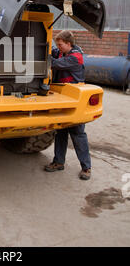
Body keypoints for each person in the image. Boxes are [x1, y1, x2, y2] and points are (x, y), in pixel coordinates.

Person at [44, 30, 92, 180]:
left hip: (74, 99)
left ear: (68, 44)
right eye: (57, 44)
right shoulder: (61, 52)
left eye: (60, 44)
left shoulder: (75, 57)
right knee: (61, 132)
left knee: (78, 134)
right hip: (62, 98)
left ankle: (86, 168)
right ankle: (58, 162)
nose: (58, 47)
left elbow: (55, 63)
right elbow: (53, 52)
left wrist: (43, 56)